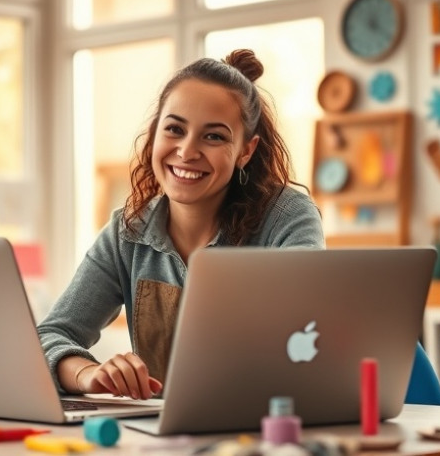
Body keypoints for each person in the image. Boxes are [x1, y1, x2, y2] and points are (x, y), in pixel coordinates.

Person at [37, 49, 325, 401]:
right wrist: (87, 373)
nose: (187, 151)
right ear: (155, 133)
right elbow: (50, 335)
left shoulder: (287, 216)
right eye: (174, 129)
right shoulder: (126, 233)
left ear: (246, 151)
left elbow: (311, 329)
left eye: (214, 136)